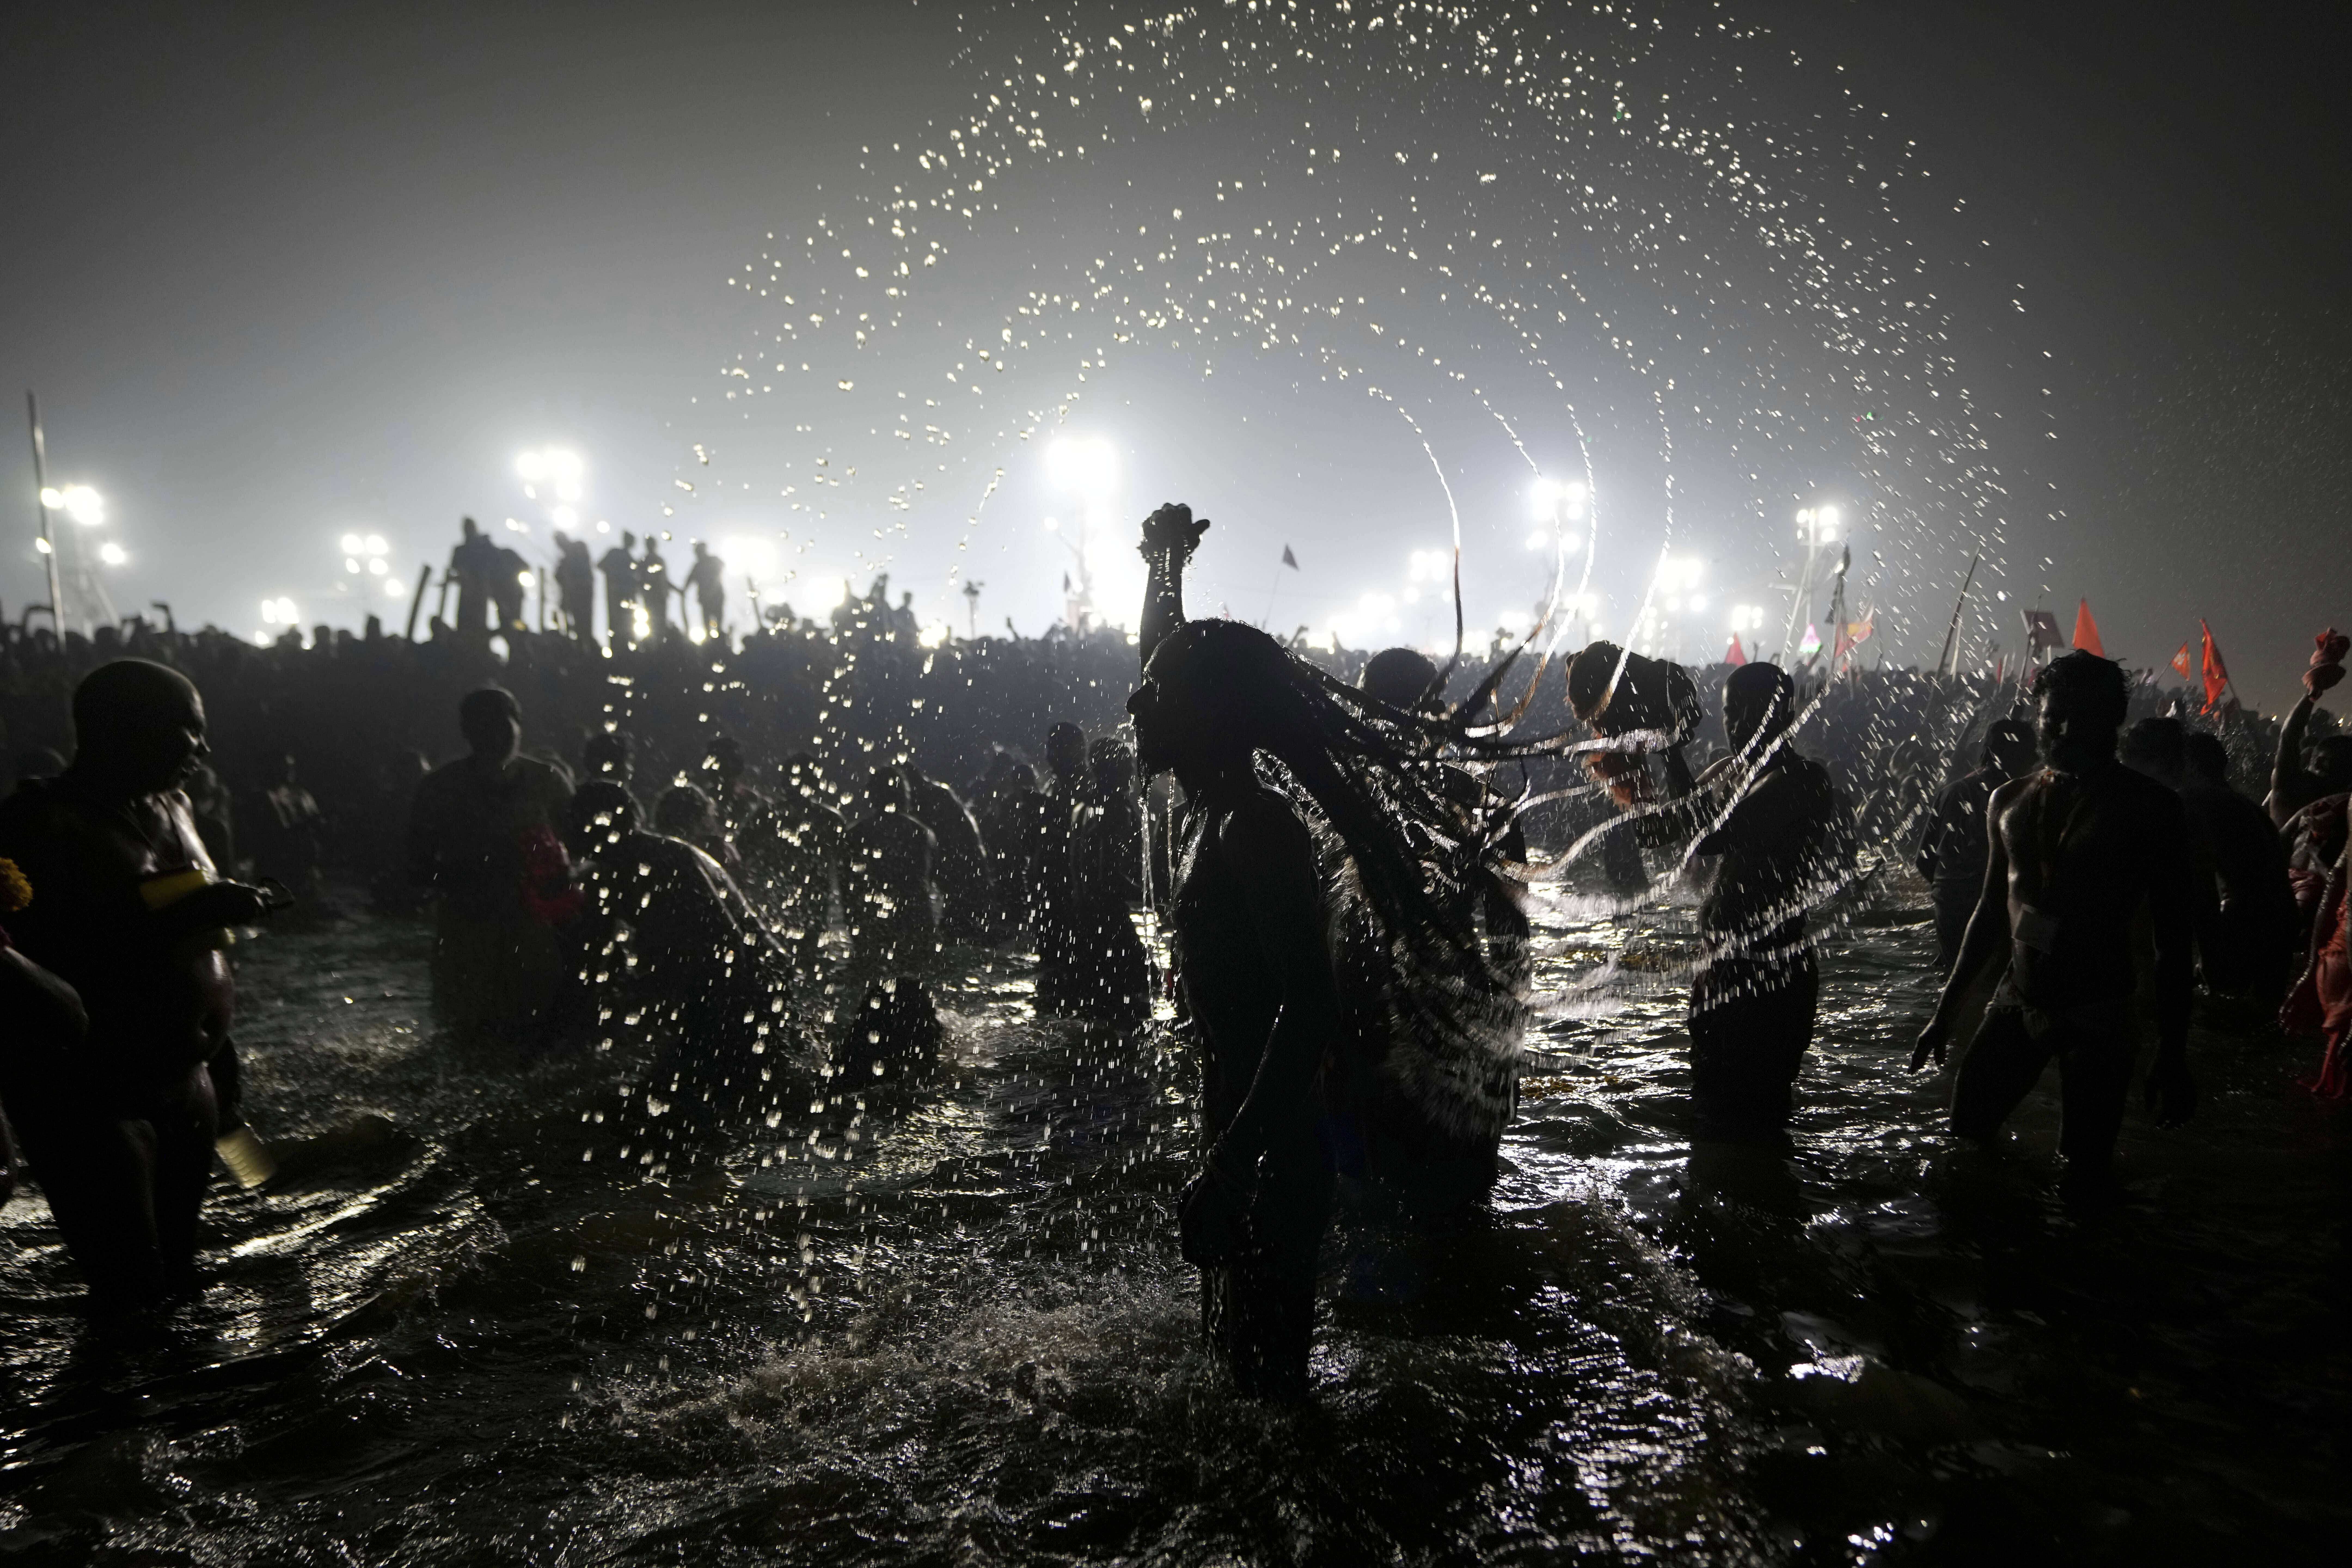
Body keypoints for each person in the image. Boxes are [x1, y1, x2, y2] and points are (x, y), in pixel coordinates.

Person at [1133, 503, 1522, 1399]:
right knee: (1236, 1385)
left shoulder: (1256, 830)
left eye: (1158, 691)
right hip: (1244, 1133)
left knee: (1269, 1401)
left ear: (1205, 716)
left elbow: (1306, 1004)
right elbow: (1167, 662)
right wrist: (1162, 570)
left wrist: (1231, 1167)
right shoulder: (1213, 803)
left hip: (1268, 1151)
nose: (1135, 698)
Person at [0, 660, 285, 1319]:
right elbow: (22, 964)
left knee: (184, 1280)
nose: (205, 750)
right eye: (190, 731)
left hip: (192, 1079)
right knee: (132, 1293)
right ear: (121, 731)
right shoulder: (40, 823)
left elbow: (191, 947)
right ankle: (112, 1422)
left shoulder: (179, 806)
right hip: (96, 1092)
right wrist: (180, 915)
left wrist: (221, 1049)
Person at [1913, 652, 2197, 1190]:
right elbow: (1991, 911)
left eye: (2083, 717)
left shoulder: (2149, 807)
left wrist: (2173, 1053)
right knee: (1967, 1140)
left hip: (2100, 1009)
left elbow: (2174, 938)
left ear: (2114, 722)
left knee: (2085, 1171)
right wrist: (1946, 1013)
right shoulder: (2009, 800)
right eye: (2053, 716)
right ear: (2038, 716)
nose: (2064, 729)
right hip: (2018, 998)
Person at [1652, 663, 1844, 1144]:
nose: (1737, 725)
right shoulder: (1729, 770)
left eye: (1749, 712)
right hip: (1718, 966)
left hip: (1770, 973)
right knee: (1711, 1106)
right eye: (1730, 713)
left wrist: (1672, 749)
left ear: (1784, 712)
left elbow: (1710, 836)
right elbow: (1669, 826)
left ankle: (1767, 1207)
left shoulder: (1802, 779)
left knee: (1758, 1116)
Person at [406, 688, 575, 1048]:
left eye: (504, 725)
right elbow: (417, 869)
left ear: (519, 726)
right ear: (467, 732)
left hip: (535, 928)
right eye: (484, 727)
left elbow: (582, 854)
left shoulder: (549, 782)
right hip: (468, 930)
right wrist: (480, 870)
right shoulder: (440, 789)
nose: (496, 737)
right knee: (465, 1038)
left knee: (538, 1035)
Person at [2179, 730, 2297, 1003]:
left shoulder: (2191, 801)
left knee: (2222, 1014)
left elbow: (2203, 890)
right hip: (2282, 924)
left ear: (2190, 764)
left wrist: (2209, 957)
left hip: (2241, 926)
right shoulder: (2247, 806)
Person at [1916, 720, 2039, 971]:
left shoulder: (1951, 792)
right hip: (2001, 908)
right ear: (2002, 754)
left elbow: (1924, 860)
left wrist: (1951, 893)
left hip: (1951, 904)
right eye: (2026, 753)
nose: (2034, 760)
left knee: (1958, 981)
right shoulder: (2023, 797)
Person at [1065, 737, 1150, 1024]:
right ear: (1118, 770)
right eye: (1128, 766)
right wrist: (1155, 896)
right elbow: (1108, 876)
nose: (1133, 774)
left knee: (1094, 1010)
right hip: (1109, 921)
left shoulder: (1082, 807)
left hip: (1082, 920)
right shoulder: (1116, 809)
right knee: (1130, 1007)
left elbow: (1082, 871)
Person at [739, 753, 844, 970]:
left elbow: (738, 858)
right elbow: (850, 874)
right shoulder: (830, 820)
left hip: (777, 900)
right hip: (811, 902)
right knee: (808, 959)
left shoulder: (767, 817)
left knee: (776, 957)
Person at [842, 765, 937, 969]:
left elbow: (848, 891)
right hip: (915, 921)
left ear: (872, 796)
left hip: (874, 925)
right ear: (904, 796)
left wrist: (858, 935)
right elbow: (924, 884)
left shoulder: (856, 834)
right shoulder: (921, 832)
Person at [1024, 723, 1090, 1014]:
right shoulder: (1055, 785)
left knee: (1067, 968)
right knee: (1052, 964)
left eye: (1057, 748)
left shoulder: (1087, 786)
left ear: (1077, 751)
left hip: (1071, 892)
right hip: (1051, 890)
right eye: (1050, 748)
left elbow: (1081, 843)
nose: (1050, 756)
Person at [904, 763, 995, 941]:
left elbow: (940, 837)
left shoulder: (928, 797)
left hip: (961, 859)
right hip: (968, 859)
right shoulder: (937, 792)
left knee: (960, 917)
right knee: (964, 916)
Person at [243, 752, 327, 896]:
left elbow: (317, 826)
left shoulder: (302, 795)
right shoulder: (262, 798)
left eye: (292, 767)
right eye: (284, 767)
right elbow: (272, 834)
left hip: (305, 864)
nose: (290, 771)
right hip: (278, 863)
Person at [447, 517, 501, 638]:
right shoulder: (460, 550)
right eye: (467, 527)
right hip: (467, 591)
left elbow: (496, 561)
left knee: (478, 622)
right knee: (465, 621)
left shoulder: (485, 545)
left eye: (470, 526)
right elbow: (456, 569)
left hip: (481, 588)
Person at [598, 531, 641, 652]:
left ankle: (624, 650)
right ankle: (618, 651)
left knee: (626, 622)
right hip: (617, 595)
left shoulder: (630, 559)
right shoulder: (617, 554)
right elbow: (601, 566)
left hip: (626, 597)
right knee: (618, 622)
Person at [552, 530, 597, 645]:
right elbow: (559, 577)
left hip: (583, 593)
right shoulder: (565, 559)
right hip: (573, 595)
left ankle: (586, 645)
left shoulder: (578, 547)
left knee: (585, 622)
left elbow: (582, 568)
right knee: (577, 622)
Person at [686, 542, 727, 642]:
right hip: (706, 598)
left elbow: (722, 566)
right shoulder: (698, 566)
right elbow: (689, 581)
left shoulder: (713, 560)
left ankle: (719, 639)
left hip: (716, 595)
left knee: (718, 619)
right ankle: (710, 641)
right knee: (707, 622)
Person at [638, 536, 675, 643]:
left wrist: (678, 590)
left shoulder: (659, 560)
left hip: (661, 596)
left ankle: (660, 644)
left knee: (661, 621)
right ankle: (655, 645)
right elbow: (640, 580)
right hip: (651, 596)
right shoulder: (643, 562)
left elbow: (665, 580)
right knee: (652, 621)